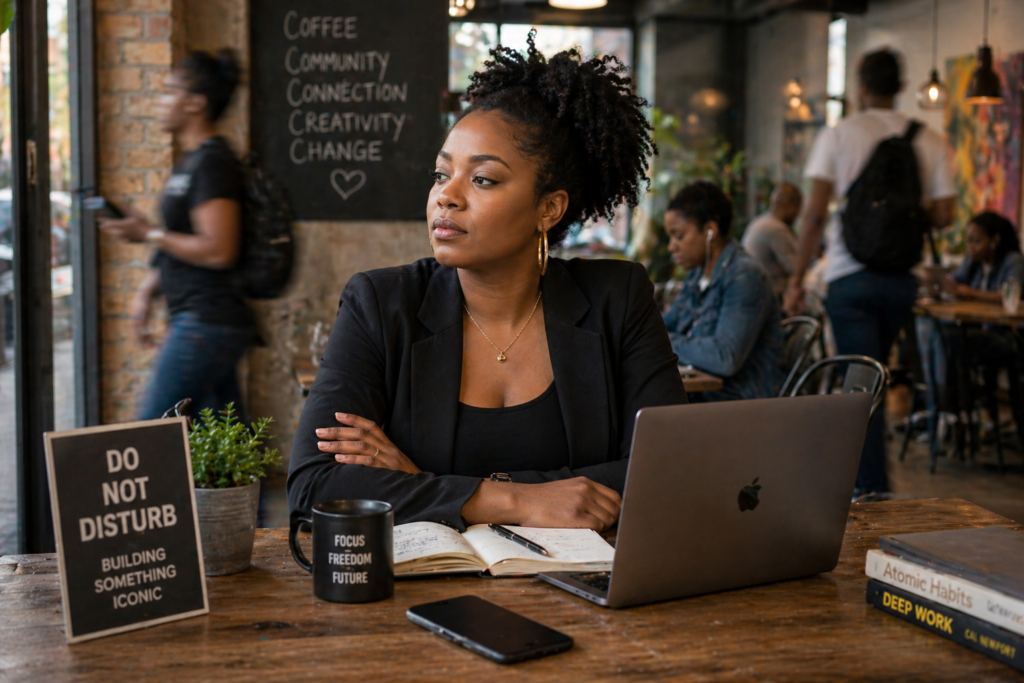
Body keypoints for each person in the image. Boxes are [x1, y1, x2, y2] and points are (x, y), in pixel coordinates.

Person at [286, 34, 688, 533]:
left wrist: (424, 482)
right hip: (421, 595)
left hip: (585, 592)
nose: (446, 198)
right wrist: (511, 501)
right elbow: (314, 487)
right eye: (440, 175)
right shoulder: (380, 304)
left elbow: (670, 470)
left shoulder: (617, 298)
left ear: (549, 208)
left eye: (483, 180)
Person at [783, 49, 955, 495]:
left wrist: (797, 280)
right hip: (902, 280)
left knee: (860, 388)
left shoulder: (839, 136)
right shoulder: (930, 139)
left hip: (849, 276)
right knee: (875, 379)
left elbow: (816, 216)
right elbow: (944, 215)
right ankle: (869, 484)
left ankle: (871, 490)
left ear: (861, 86)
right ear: (899, 86)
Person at [100, 50, 255, 421]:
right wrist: (147, 291)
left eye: (170, 91)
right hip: (201, 318)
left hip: (207, 320)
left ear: (195, 104)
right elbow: (179, 240)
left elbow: (219, 250)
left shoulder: (213, 162)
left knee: (153, 432)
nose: (160, 101)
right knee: (219, 453)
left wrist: (149, 232)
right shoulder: (191, 161)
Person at [662, 182, 784, 401]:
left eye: (678, 236)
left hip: (740, 403)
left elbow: (724, 357)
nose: (672, 246)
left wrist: (665, 341)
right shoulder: (696, 275)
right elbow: (661, 326)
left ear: (710, 230)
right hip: (704, 395)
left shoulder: (745, 277)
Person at [917, 212, 1024, 452]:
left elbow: (1011, 296)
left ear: (994, 240)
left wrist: (972, 294)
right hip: (976, 334)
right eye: (969, 241)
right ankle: (953, 413)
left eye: (977, 241)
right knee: (941, 336)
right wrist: (940, 284)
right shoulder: (974, 261)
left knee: (951, 342)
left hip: (1007, 337)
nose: (971, 247)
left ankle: (951, 413)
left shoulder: (1013, 260)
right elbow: (954, 283)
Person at [742, 182, 802, 298]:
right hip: (769, 297)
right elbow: (795, 268)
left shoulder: (759, 222)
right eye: (798, 208)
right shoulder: (776, 229)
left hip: (752, 292)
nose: (798, 214)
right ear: (787, 205)